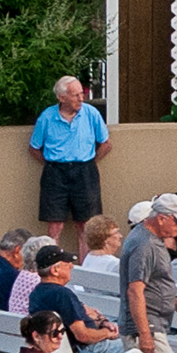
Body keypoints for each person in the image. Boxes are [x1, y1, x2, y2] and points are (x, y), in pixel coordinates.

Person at [28, 73, 109, 251]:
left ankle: (86, 266)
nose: (81, 98)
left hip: (84, 171)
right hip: (55, 173)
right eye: (75, 95)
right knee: (55, 225)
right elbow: (34, 148)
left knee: (86, 225)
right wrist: (50, 165)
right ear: (62, 97)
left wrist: (90, 163)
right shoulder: (47, 117)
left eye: (82, 94)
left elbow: (105, 144)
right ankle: (52, 263)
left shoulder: (91, 113)